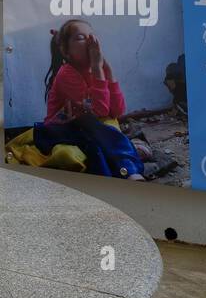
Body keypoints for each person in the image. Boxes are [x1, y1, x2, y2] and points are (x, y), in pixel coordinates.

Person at [38, 19, 144, 179]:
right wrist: (97, 68)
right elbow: (100, 111)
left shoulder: (96, 71)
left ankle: (126, 165)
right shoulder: (66, 74)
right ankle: (128, 170)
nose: (90, 42)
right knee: (93, 136)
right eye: (81, 38)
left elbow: (116, 111)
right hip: (58, 128)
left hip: (86, 124)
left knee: (101, 128)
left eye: (92, 36)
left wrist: (109, 73)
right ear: (65, 51)